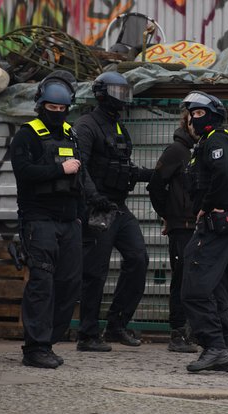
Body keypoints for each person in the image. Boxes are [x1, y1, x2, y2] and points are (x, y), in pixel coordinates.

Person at [10, 71, 84, 368]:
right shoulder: (26, 135)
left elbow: (81, 175)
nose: (57, 114)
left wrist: (83, 215)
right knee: (41, 282)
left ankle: (49, 341)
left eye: (61, 109)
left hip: (69, 222)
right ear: (40, 106)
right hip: (39, 219)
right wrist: (59, 170)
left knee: (68, 283)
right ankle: (35, 347)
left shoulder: (70, 133)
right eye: (51, 109)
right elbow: (24, 173)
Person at [75, 71, 152, 352]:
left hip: (118, 207)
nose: (122, 98)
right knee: (95, 272)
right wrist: (94, 198)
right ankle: (87, 334)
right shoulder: (86, 126)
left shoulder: (118, 127)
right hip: (97, 208)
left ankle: (117, 325)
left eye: (124, 92)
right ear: (101, 93)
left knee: (138, 259)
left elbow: (123, 166)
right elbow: (79, 166)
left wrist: (154, 175)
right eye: (116, 92)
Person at [181, 91, 228, 372]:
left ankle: (215, 347)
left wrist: (206, 207)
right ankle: (224, 348)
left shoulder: (216, 139)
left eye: (198, 114)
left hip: (216, 224)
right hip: (225, 224)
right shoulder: (217, 141)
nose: (193, 120)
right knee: (217, 289)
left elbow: (221, 175)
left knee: (194, 289)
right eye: (191, 115)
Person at [147, 106, 198, 353]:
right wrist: (167, 214)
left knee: (197, 280)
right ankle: (178, 333)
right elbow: (155, 186)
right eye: (192, 121)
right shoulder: (177, 151)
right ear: (185, 123)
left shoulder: (201, 151)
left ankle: (194, 330)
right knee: (181, 280)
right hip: (182, 228)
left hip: (199, 227)